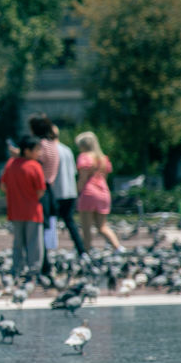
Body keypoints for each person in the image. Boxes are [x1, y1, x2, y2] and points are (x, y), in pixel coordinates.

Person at [1, 135, 47, 279]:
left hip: (15, 209)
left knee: (17, 243)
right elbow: (40, 190)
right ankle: (33, 271)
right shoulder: (35, 166)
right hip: (33, 210)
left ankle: (16, 270)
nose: (39, 153)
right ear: (27, 151)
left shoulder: (10, 164)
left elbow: (3, 186)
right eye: (37, 150)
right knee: (34, 243)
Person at [75, 131, 124, 253]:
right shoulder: (103, 159)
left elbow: (83, 178)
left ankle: (86, 251)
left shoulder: (84, 157)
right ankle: (117, 247)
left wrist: (77, 192)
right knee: (102, 226)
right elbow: (104, 178)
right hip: (103, 192)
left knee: (86, 226)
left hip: (89, 193)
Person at [29, 113, 60, 276]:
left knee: (38, 228)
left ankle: (43, 265)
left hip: (40, 189)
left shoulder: (40, 146)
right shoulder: (53, 144)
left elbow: (35, 167)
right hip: (49, 188)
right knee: (44, 228)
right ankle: (45, 264)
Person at [52, 124, 85, 257]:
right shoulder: (67, 150)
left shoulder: (51, 151)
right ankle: (81, 249)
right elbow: (73, 172)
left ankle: (49, 250)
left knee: (49, 224)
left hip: (56, 192)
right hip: (69, 191)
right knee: (70, 223)